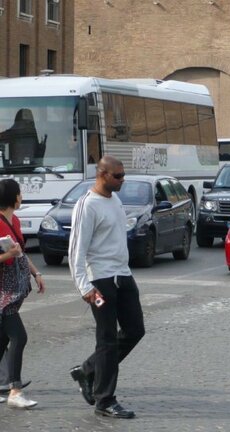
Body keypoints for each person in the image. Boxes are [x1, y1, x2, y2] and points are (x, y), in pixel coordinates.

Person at [68, 156, 145, 419]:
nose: (123, 180)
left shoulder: (115, 200)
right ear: (102, 174)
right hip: (99, 281)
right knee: (107, 339)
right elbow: (76, 250)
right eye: (118, 176)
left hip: (123, 276)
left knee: (135, 329)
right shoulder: (87, 206)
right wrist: (84, 287)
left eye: (123, 175)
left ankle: (87, 369)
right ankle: (105, 400)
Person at [0, 178, 45, 409]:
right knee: (19, 336)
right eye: (20, 193)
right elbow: (12, 254)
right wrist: (8, 255)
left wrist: (36, 273)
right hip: (2, 293)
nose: (22, 197)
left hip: (12, 290)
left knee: (3, 338)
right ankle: (15, 391)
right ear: (13, 197)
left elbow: (21, 252)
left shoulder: (14, 220)